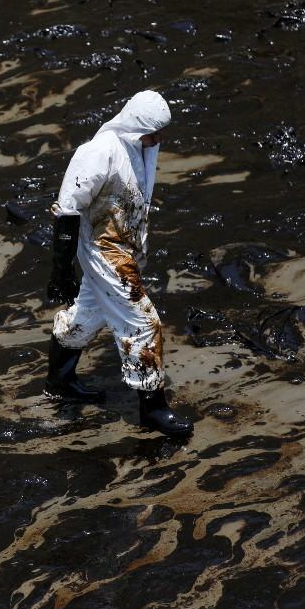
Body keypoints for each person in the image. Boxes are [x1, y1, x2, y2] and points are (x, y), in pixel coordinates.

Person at [44, 90, 194, 438]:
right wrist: (61, 269)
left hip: (123, 249)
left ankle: (59, 381)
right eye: (152, 132)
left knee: (87, 314)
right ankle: (153, 410)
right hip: (103, 250)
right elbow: (67, 209)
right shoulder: (97, 153)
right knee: (144, 323)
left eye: (161, 132)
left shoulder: (141, 149)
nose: (157, 140)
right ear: (133, 124)